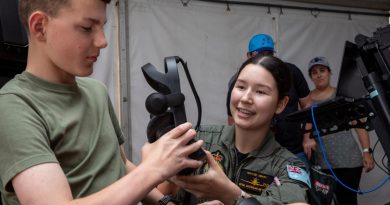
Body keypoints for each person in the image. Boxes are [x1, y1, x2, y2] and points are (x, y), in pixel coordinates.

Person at [0, 0, 205, 204]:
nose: (102, 41)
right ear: (40, 27)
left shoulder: (95, 91)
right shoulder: (15, 107)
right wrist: (153, 169)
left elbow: (121, 165)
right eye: (87, 28)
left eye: (102, 26)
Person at [160, 55, 310, 205]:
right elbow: (159, 190)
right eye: (241, 87)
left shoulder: (287, 165)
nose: (245, 98)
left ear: (281, 104)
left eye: (261, 92)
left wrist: (231, 194)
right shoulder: (199, 140)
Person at [227, 34, 314, 164]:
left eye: (269, 53)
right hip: (257, 152)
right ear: (249, 55)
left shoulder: (291, 72)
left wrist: (308, 137)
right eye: (260, 54)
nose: (265, 58)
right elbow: (232, 119)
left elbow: (307, 103)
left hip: (293, 149)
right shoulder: (237, 79)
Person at [307, 56, 375, 205]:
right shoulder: (307, 100)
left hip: (349, 160)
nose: (319, 75)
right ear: (311, 77)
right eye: (314, 72)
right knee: (323, 201)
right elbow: (306, 129)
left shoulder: (342, 95)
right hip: (323, 162)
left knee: (348, 201)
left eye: (322, 70)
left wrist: (366, 151)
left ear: (330, 73)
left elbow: (359, 125)